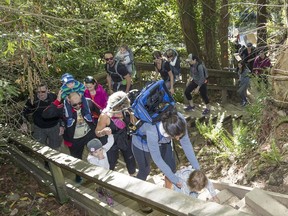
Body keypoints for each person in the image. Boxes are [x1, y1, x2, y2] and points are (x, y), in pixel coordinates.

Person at [43, 92, 97, 183]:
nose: (78, 106)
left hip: (89, 135)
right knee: (77, 158)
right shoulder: (63, 109)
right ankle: (78, 175)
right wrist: (57, 101)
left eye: (80, 103)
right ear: (68, 100)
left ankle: (98, 173)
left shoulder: (87, 102)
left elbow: (101, 111)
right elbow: (46, 115)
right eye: (74, 104)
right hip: (74, 139)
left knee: (96, 152)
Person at [20, 84, 64, 169]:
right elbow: (24, 112)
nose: (40, 94)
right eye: (38, 92)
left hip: (54, 126)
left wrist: (62, 125)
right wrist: (24, 123)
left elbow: (61, 111)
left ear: (48, 90)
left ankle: (55, 164)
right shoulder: (32, 100)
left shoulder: (54, 97)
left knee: (55, 147)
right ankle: (46, 162)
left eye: (43, 91)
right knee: (40, 147)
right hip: (39, 127)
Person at [95, 91, 136, 176]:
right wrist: (103, 132)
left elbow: (133, 123)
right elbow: (97, 133)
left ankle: (133, 177)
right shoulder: (105, 116)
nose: (120, 114)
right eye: (118, 110)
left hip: (124, 138)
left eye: (122, 110)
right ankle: (105, 182)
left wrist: (131, 115)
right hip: (110, 141)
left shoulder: (127, 110)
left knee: (130, 159)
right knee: (111, 162)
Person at [87, 135, 114, 206]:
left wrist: (110, 135)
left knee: (107, 186)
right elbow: (101, 168)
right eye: (96, 152)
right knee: (99, 185)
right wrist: (100, 158)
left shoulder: (103, 150)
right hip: (98, 175)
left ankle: (109, 197)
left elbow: (110, 143)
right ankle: (99, 191)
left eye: (100, 150)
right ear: (91, 153)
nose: (99, 153)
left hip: (106, 173)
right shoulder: (91, 159)